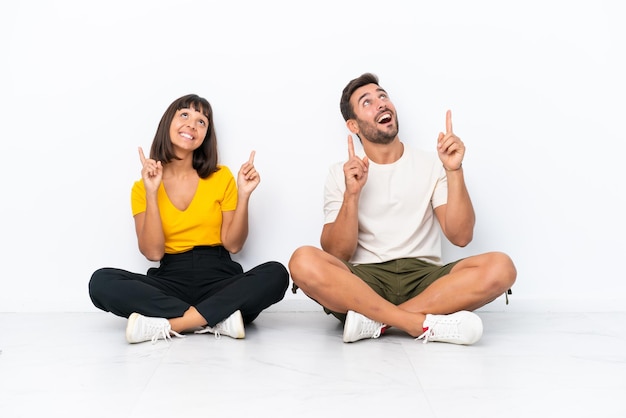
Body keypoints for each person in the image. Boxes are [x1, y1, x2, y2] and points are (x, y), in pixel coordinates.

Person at [289, 73, 516, 345]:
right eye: (367, 102)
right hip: (364, 283)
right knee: (302, 260)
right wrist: (352, 194)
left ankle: (377, 321)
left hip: (426, 280)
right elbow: (338, 253)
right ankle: (416, 323)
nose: (381, 104)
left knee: (502, 267)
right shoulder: (341, 174)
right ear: (353, 125)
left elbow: (461, 236)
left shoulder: (433, 164)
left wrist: (454, 171)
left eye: (383, 96)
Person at [89, 93, 289, 344]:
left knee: (277, 274)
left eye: (201, 121)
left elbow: (234, 245)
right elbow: (153, 253)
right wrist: (152, 192)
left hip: (220, 277)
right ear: (168, 124)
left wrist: (244, 195)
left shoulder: (221, 176)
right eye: (184, 115)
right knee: (101, 281)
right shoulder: (142, 188)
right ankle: (217, 317)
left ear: (206, 135)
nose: (192, 125)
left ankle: (175, 323)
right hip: (172, 279)